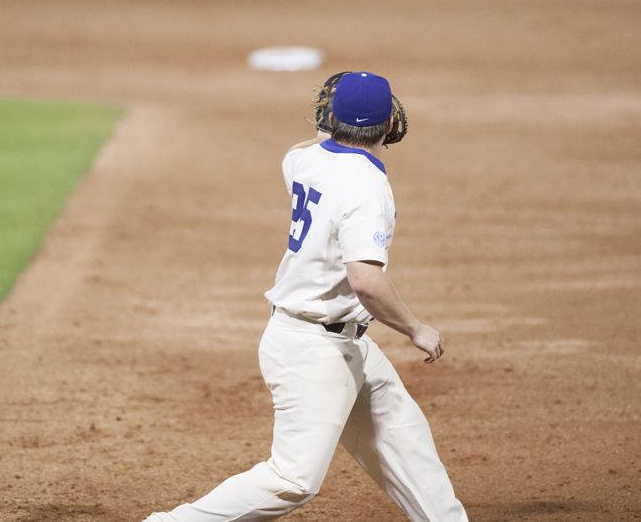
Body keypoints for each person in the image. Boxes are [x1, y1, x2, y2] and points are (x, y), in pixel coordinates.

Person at [144, 71, 468, 521]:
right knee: (293, 481)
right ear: (389, 123)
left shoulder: (302, 160)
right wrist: (416, 328)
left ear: (329, 118)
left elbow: (308, 145)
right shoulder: (367, 187)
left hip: (337, 340)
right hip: (313, 350)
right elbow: (366, 282)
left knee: (404, 438)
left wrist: (329, 129)